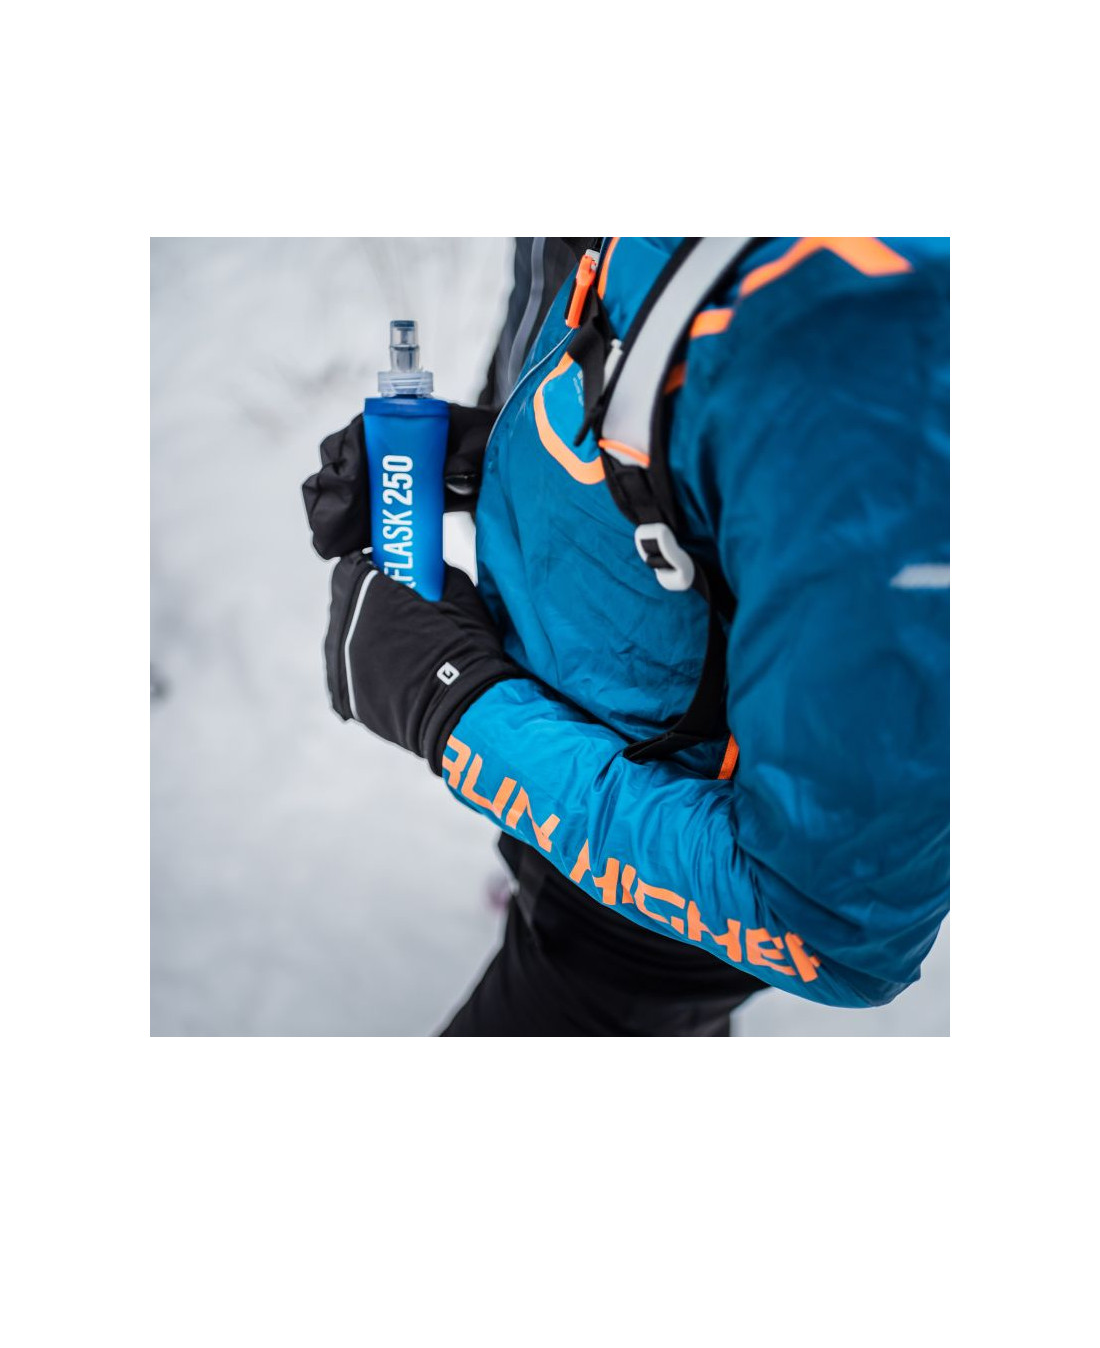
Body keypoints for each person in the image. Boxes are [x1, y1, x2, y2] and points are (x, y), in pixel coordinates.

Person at [302, 237, 950, 1036]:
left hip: (653, 911)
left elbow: (830, 926)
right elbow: (676, 388)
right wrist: (508, 459)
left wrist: (459, 708)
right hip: (569, 784)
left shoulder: (881, 349)